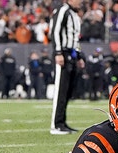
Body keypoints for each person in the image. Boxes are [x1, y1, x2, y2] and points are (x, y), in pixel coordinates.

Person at [49, 0, 85, 135]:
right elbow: (55, 31)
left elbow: (76, 38)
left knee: (67, 91)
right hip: (63, 52)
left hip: (71, 54)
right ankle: (56, 124)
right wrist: (58, 52)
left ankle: (62, 122)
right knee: (60, 90)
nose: (80, 2)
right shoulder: (62, 10)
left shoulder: (74, 14)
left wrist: (79, 56)